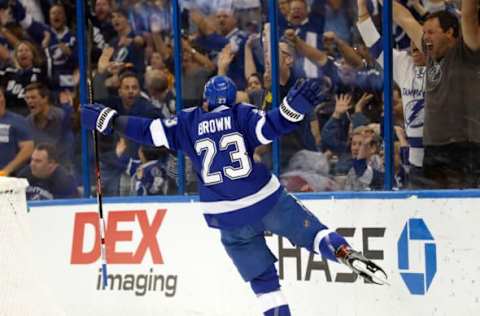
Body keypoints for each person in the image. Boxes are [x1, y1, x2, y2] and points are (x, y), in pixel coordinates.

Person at [81, 75, 387, 315]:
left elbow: (147, 130)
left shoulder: (187, 122)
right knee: (317, 235)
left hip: (226, 217)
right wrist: (293, 110)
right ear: (232, 98)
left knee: (264, 283)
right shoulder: (241, 114)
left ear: (205, 101)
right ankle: (345, 253)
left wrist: (108, 120)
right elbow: (271, 127)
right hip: (265, 200)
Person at [390, 0, 480, 188]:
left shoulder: (468, 51)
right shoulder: (430, 54)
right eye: (424, 33)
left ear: (449, 33)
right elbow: (403, 17)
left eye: (431, 32)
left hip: (464, 150)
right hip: (433, 150)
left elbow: (469, 15)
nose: (425, 37)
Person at [357, 0, 427, 188]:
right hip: (416, 160)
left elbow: (404, 18)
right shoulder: (404, 63)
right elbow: (374, 44)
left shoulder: (443, 65)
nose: (413, 46)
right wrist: (362, 9)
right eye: (410, 41)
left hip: (443, 153)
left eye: (417, 40)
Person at [0, 86, 34, 176]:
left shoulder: (17, 121)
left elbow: (28, 148)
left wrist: (7, 170)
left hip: (8, 176)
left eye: (0, 96)